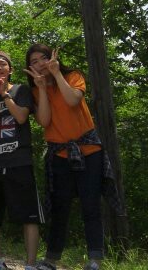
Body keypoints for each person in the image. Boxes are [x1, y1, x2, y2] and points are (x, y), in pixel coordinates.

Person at [25, 45, 122, 270]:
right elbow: (44, 121)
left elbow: (73, 100)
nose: (40, 64)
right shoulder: (36, 91)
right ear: (30, 68)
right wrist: (42, 88)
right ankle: (51, 259)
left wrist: (57, 74)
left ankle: (94, 260)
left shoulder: (73, 76)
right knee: (60, 207)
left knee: (91, 204)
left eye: (43, 58)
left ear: (52, 58)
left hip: (89, 151)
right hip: (59, 154)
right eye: (34, 62)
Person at [0, 51, 43, 270]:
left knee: (29, 215)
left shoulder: (20, 90)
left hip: (19, 161)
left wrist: (5, 95)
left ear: (10, 70)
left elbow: (21, 117)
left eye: (3, 64)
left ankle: (30, 265)